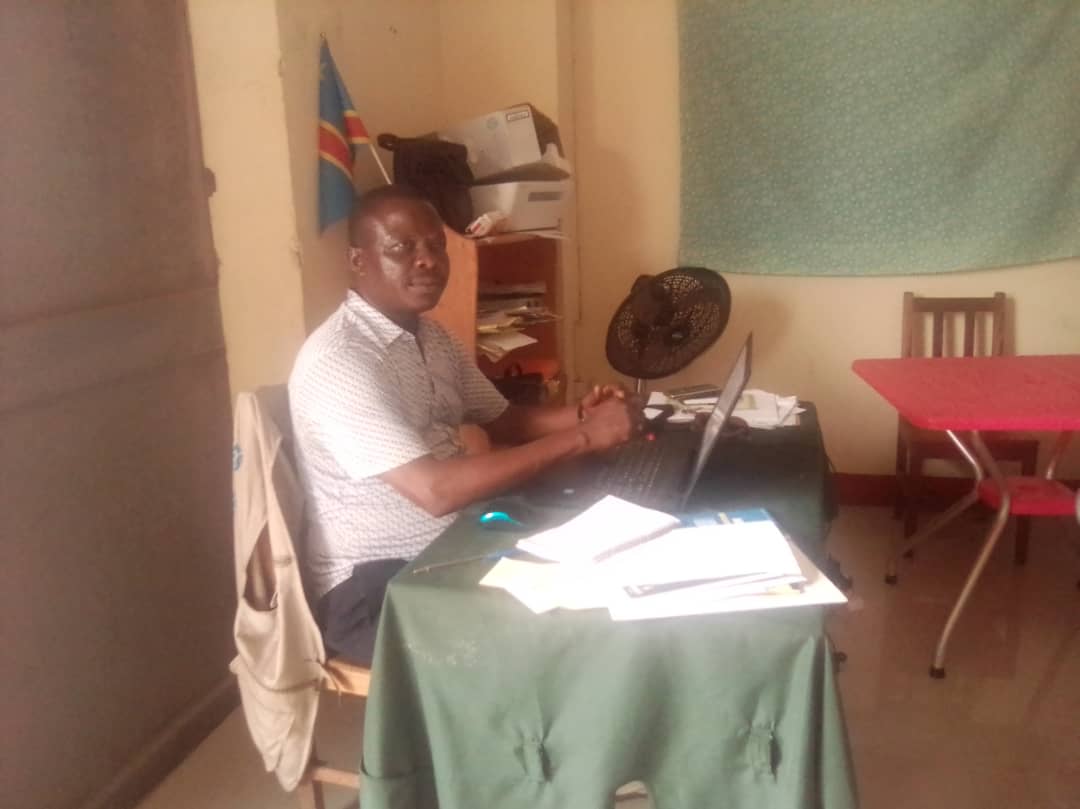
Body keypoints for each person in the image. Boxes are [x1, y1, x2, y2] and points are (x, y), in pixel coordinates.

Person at [289, 184, 640, 664]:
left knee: (601, 577)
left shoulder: (433, 338)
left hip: (454, 549)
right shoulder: (340, 360)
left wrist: (585, 415)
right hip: (376, 589)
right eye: (402, 247)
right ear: (357, 260)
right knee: (566, 639)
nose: (427, 261)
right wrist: (583, 437)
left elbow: (507, 420)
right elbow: (436, 492)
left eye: (436, 246)